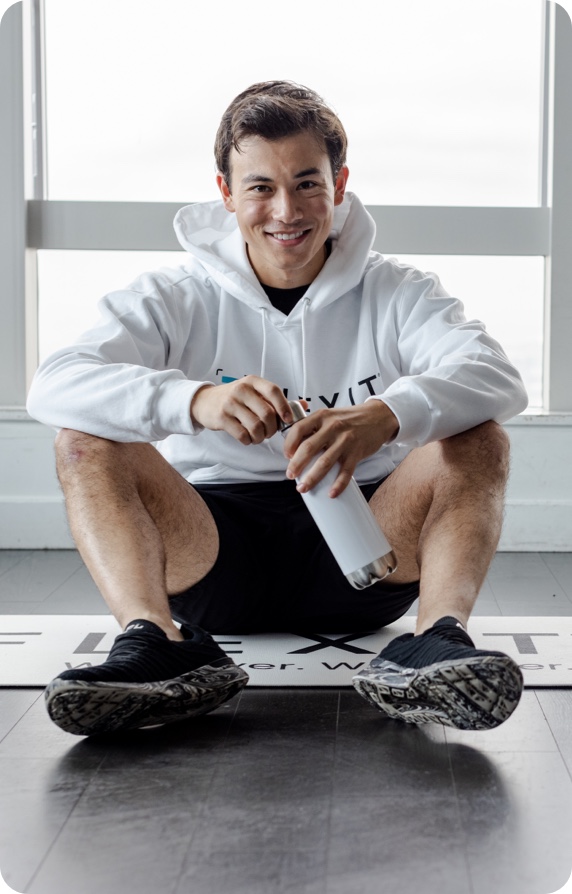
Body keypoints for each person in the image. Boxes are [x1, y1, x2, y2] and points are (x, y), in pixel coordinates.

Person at [26, 80, 528, 737]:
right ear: (227, 193)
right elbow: (53, 384)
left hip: (366, 549)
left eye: (307, 183)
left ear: (339, 184)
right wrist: (195, 401)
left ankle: (435, 640)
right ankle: (156, 644)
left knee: (480, 437)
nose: (286, 210)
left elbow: (498, 378)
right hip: (215, 550)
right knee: (82, 443)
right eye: (260, 186)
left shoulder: (398, 291)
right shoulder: (175, 295)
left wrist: (387, 413)